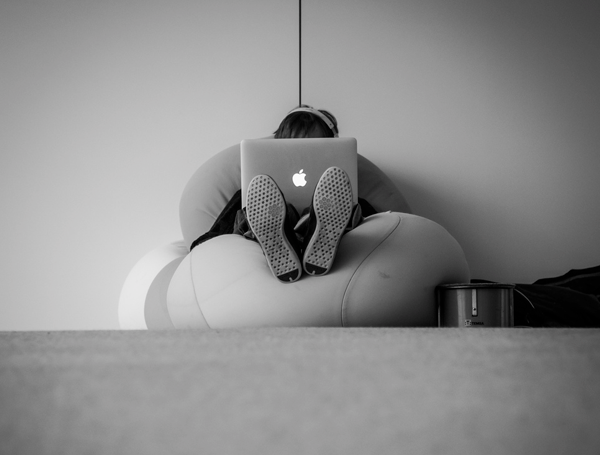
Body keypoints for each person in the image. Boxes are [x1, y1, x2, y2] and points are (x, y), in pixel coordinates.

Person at [190, 105, 377, 283]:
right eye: (294, 151)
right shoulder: (252, 195)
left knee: (348, 208)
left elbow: (380, 232)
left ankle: (309, 230)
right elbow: (207, 241)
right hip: (270, 212)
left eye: (312, 151)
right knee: (254, 208)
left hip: (331, 208)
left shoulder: (345, 196)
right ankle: (282, 232)